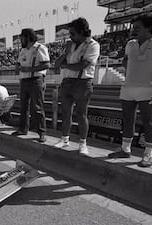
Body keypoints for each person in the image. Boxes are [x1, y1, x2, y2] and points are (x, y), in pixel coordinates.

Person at [108, 13, 152, 167]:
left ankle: (148, 155)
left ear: (149, 27)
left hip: (148, 88)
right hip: (128, 87)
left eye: (138, 27)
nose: (134, 30)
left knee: (148, 121)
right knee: (127, 119)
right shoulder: (131, 44)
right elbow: (126, 60)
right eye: (134, 27)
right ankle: (125, 149)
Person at [53, 17, 100, 156]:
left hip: (82, 82)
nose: (70, 36)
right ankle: (65, 139)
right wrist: (66, 53)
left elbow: (83, 65)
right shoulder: (70, 45)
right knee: (66, 113)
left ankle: (83, 143)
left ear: (82, 32)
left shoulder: (92, 45)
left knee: (82, 114)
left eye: (72, 33)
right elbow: (56, 65)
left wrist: (66, 65)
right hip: (67, 82)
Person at [12, 28, 50, 143]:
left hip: (36, 80)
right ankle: (23, 129)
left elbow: (46, 64)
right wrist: (17, 68)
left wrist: (29, 69)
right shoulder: (23, 50)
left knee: (37, 107)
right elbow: (18, 64)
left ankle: (42, 132)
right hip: (24, 81)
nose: (21, 40)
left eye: (22, 37)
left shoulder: (40, 48)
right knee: (23, 106)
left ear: (28, 37)